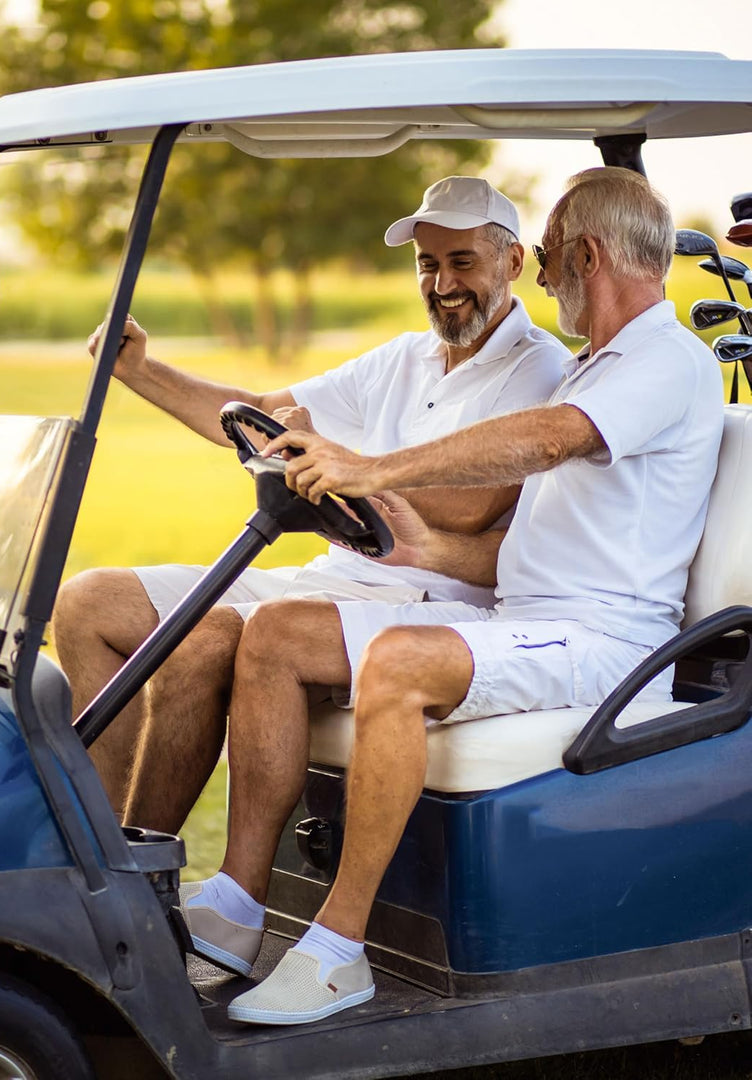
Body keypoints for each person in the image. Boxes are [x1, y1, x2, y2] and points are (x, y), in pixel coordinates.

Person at [178, 166, 725, 1026]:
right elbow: (525, 549)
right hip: (529, 622)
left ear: (586, 253)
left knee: (400, 661)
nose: (542, 282)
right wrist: (427, 544)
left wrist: (373, 465)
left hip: (608, 644)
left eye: (545, 261)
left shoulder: (663, 360)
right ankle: (240, 912)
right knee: (278, 636)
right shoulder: (595, 365)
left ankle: (335, 953)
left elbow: (547, 441)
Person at [54, 177, 572, 826]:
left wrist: (348, 466)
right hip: (333, 579)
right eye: (428, 265)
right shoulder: (403, 358)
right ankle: (99, 850)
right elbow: (268, 413)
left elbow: (471, 506)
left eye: (462, 262)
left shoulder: (538, 368)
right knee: (87, 604)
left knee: (200, 638)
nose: (443, 285)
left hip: (429, 598)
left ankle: (141, 873)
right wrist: (139, 371)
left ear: (514, 261)